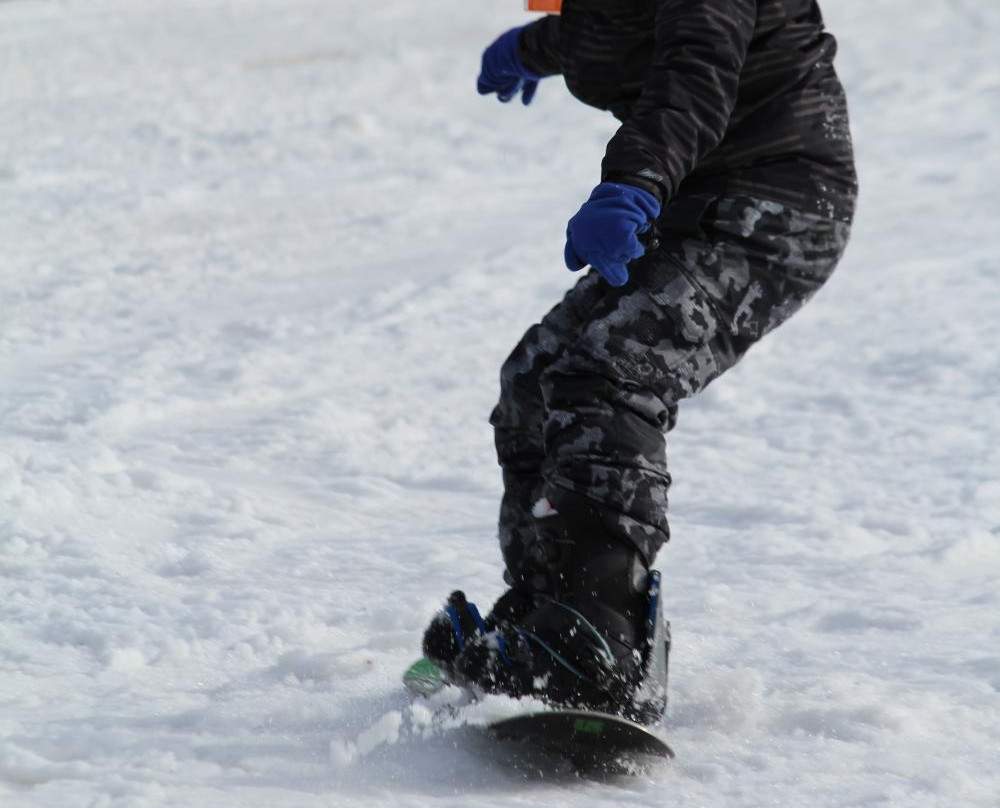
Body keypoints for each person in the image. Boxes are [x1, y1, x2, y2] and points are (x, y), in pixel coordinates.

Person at [422, 0, 858, 719]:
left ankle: (603, 634)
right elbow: (617, 22)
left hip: (777, 202)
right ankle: (549, 608)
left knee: (614, 371)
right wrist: (537, 45)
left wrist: (634, 181)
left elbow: (697, 67)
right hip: (694, 201)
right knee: (535, 380)